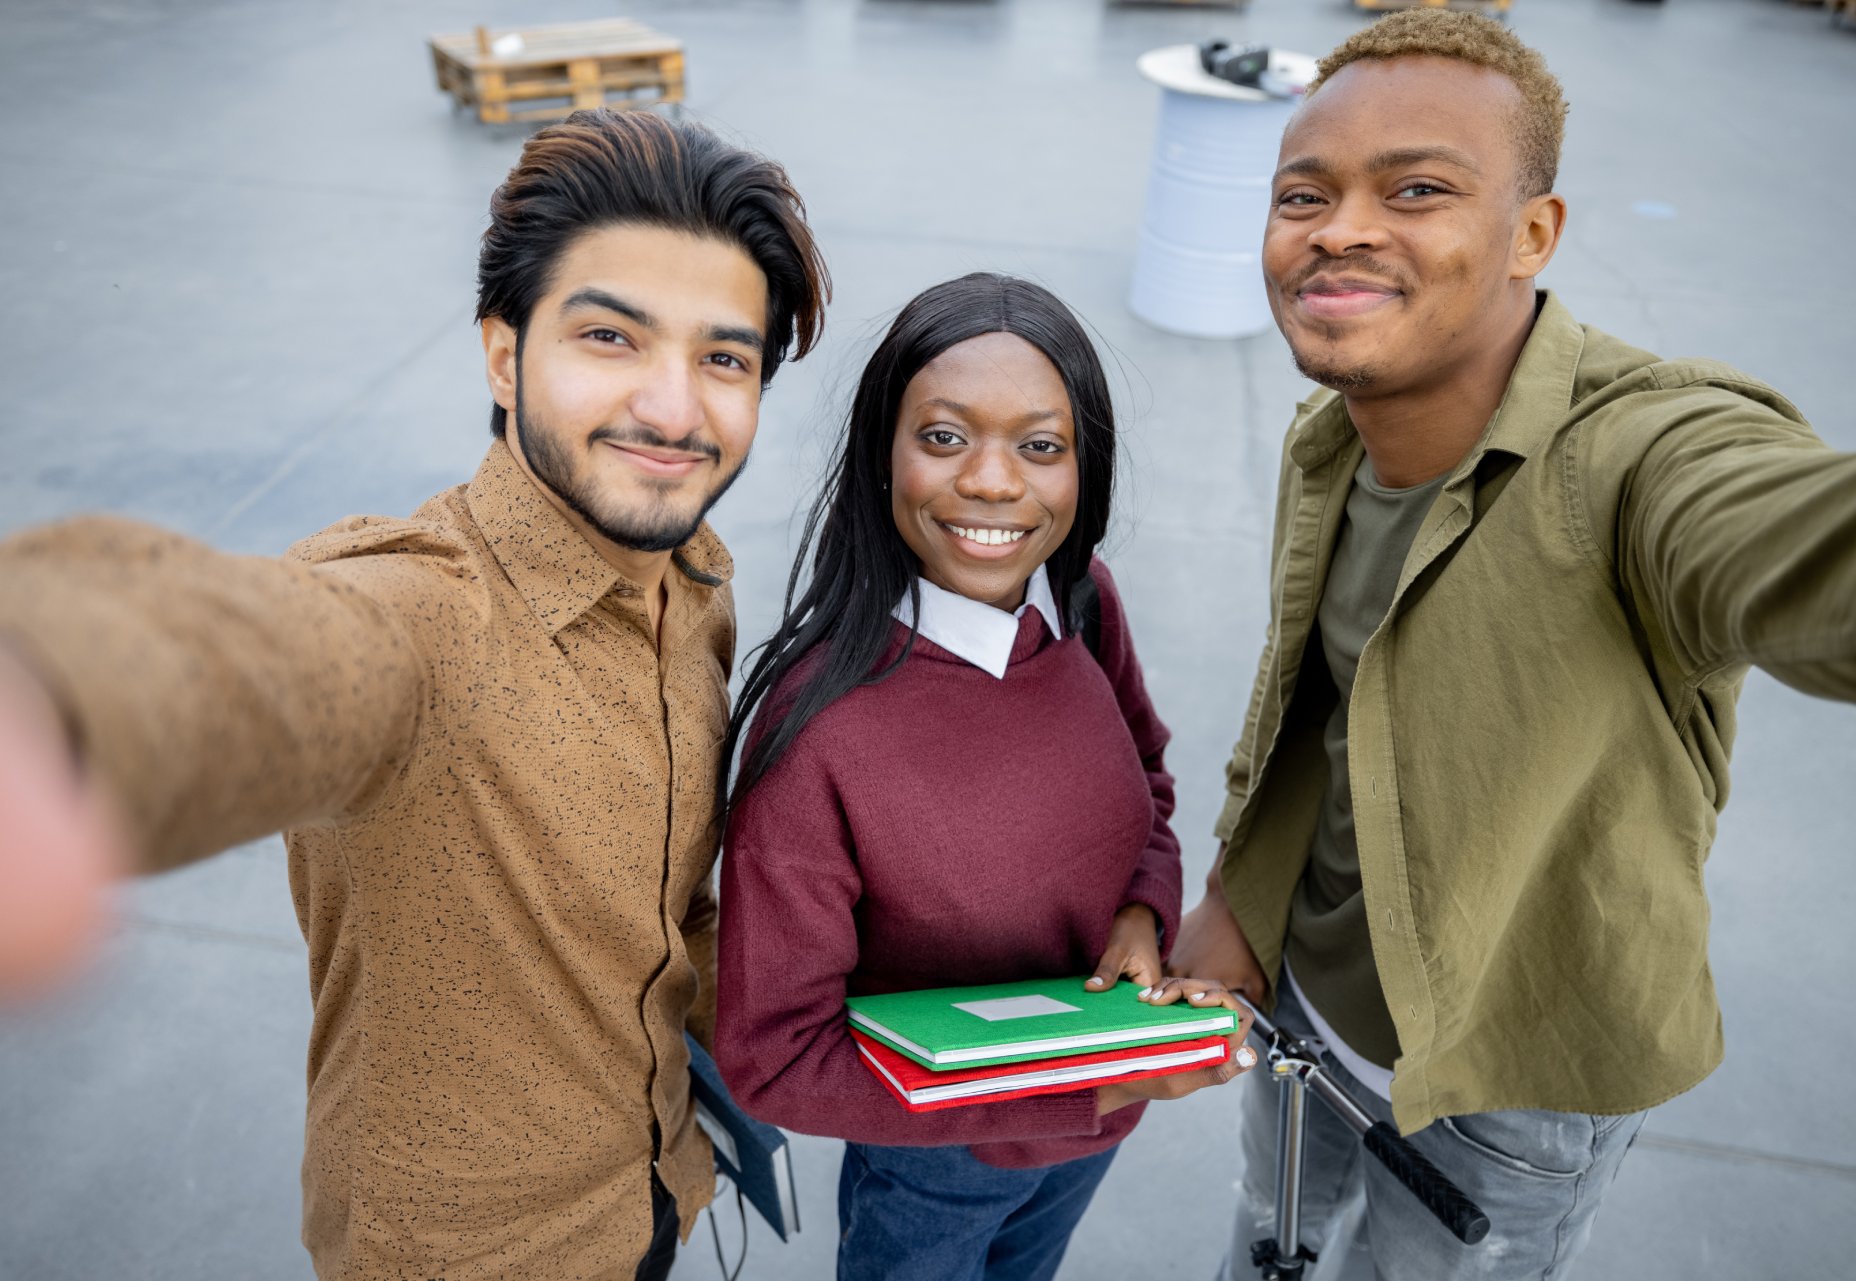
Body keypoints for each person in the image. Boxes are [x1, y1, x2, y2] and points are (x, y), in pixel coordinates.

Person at [0, 108, 828, 1280]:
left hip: (660, 1187)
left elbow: (665, 926)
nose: (675, 410)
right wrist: (32, 686)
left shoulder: (695, 588)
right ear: (504, 355)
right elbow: (269, 654)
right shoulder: (422, 617)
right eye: (610, 337)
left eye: (724, 358)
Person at [1165, 12, 1856, 1280]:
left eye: (1416, 189)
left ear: (1533, 234)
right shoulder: (1329, 444)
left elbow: (1797, 542)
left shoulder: (1644, 452)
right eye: (1303, 194)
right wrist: (1236, 896)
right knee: (1271, 1260)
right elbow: (1321, 708)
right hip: (1308, 1013)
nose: (1340, 228)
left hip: (1508, 1088)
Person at [714, 273, 1256, 1281]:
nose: (995, 483)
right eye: (944, 437)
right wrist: (1078, 1094)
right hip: (937, 1166)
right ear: (882, 453)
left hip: (1092, 1136)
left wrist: (1142, 916)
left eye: (1040, 446)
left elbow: (1148, 781)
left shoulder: (1083, 604)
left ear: (1083, 468)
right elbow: (773, 1058)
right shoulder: (820, 729)